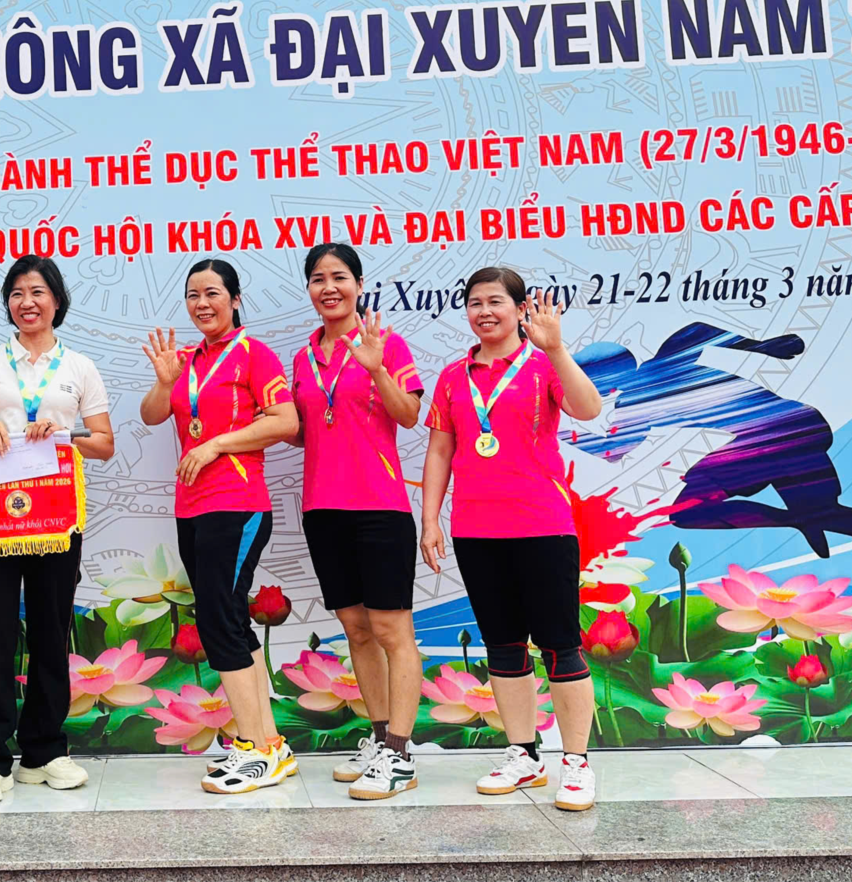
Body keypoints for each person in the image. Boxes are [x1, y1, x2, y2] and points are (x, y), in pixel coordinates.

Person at [576, 324, 852, 600]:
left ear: (602, 383)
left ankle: (796, 520)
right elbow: (696, 331)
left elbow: (613, 451)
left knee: (687, 510)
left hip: (767, 441)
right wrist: (763, 346)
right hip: (801, 424)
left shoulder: (633, 402)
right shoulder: (666, 359)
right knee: (830, 514)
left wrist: (558, 428)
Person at [419, 265, 602, 811]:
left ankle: (576, 762)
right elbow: (440, 450)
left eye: (495, 301)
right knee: (502, 644)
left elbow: (588, 409)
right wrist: (429, 520)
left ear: (520, 309)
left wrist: (558, 348)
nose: (484, 312)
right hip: (477, 529)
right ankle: (524, 754)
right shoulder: (453, 376)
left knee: (559, 645)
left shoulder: (544, 363)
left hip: (542, 525)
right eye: (475, 302)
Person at [0, 256, 116, 804]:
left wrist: (65, 435)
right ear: (8, 303)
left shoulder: (79, 367)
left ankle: (44, 751)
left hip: (55, 517)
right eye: (17, 293)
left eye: (38, 291)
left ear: (57, 301)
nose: (27, 302)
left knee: (51, 632)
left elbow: (104, 443)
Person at [140, 257, 299, 795]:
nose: (202, 303)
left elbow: (286, 421)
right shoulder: (185, 360)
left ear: (234, 299)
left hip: (237, 503)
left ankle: (254, 749)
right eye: (193, 294)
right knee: (228, 618)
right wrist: (164, 382)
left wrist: (214, 445)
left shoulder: (255, 354)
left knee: (219, 621)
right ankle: (270, 744)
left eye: (212, 293)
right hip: (192, 507)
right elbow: (153, 415)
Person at [287, 243, 424, 801]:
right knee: (357, 629)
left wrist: (377, 370)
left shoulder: (385, 343)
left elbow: (409, 415)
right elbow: (303, 429)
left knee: (393, 630)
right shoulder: (302, 357)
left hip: (379, 507)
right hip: (323, 508)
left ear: (359, 285)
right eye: (318, 279)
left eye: (339, 277)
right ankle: (378, 737)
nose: (329, 288)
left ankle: (400, 754)